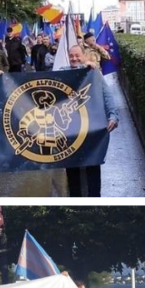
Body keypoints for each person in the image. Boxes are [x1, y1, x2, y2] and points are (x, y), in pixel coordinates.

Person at [60, 45, 119, 197]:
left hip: (92, 127)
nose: (74, 59)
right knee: (72, 167)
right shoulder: (62, 73)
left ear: (84, 56)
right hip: (70, 130)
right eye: (71, 56)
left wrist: (113, 116)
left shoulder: (93, 73)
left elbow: (107, 95)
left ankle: (94, 199)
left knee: (92, 165)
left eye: (77, 55)